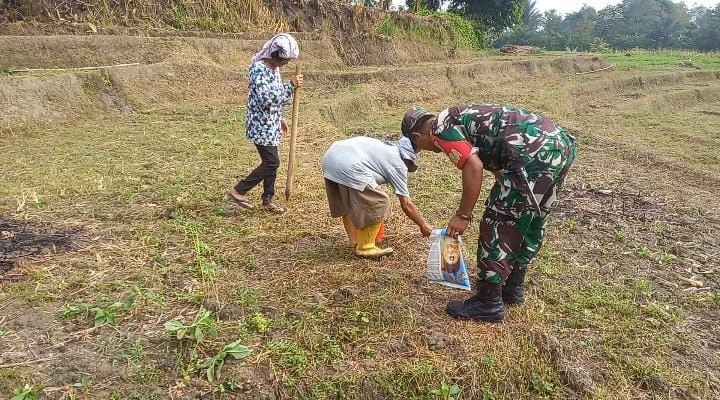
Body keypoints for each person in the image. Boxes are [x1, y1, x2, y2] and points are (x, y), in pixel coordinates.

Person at [401, 104, 576, 322]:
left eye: (418, 146)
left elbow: (473, 166)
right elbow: (491, 146)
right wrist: (504, 178)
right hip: (559, 144)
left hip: (531, 152)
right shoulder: (459, 117)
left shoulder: (439, 130)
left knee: (498, 222)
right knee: (532, 215)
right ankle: (513, 286)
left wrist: (463, 215)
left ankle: (489, 302)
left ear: (417, 136)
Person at [321, 136, 433, 258]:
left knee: (350, 202)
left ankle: (354, 240)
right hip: (349, 165)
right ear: (408, 159)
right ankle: (366, 247)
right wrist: (423, 225)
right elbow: (407, 205)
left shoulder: (386, 148)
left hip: (331, 156)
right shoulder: (398, 164)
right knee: (380, 202)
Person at [228, 33, 304, 214]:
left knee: (271, 161)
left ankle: (267, 199)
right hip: (260, 125)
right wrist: (290, 86)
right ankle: (239, 190)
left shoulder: (274, 69)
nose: (286, 63)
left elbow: (276, 95)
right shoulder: (258, 70)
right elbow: (266, 98)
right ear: (274, 55)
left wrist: (281, 119)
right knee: (272, 162)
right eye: (285, 59)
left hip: (271, 124)